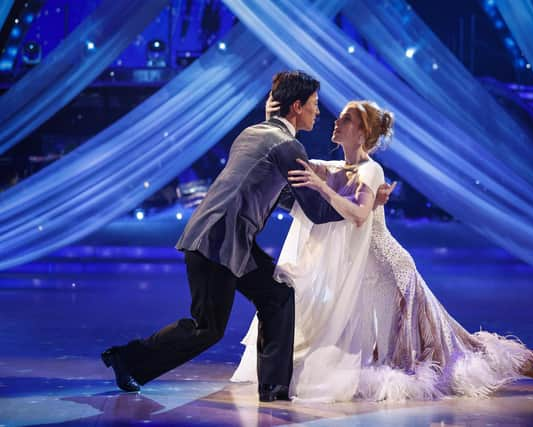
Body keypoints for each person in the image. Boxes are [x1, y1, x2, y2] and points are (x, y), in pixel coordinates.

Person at [231, 100, 533, 401]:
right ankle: (526, 365)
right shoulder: (334, 167)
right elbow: (291, 157)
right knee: (427, 344)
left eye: (346, 119)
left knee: (448, 345)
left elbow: (359, 215)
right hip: (369, 276)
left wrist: (321, 188)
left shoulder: (371, 170)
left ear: (362, 132)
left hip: (393, 270)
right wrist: (273, 120)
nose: (336, 122)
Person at [101, 71, 392, 402]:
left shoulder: (256, 132)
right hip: (217, 240)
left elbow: (278, 193)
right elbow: (316, 211)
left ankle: (274, 387)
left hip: (230, 239)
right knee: (206, 328)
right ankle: (128, 358)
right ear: (296, 107)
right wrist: (365, 206)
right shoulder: (285, 145)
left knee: (277, 296)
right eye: (313, 105)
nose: (318, 112)